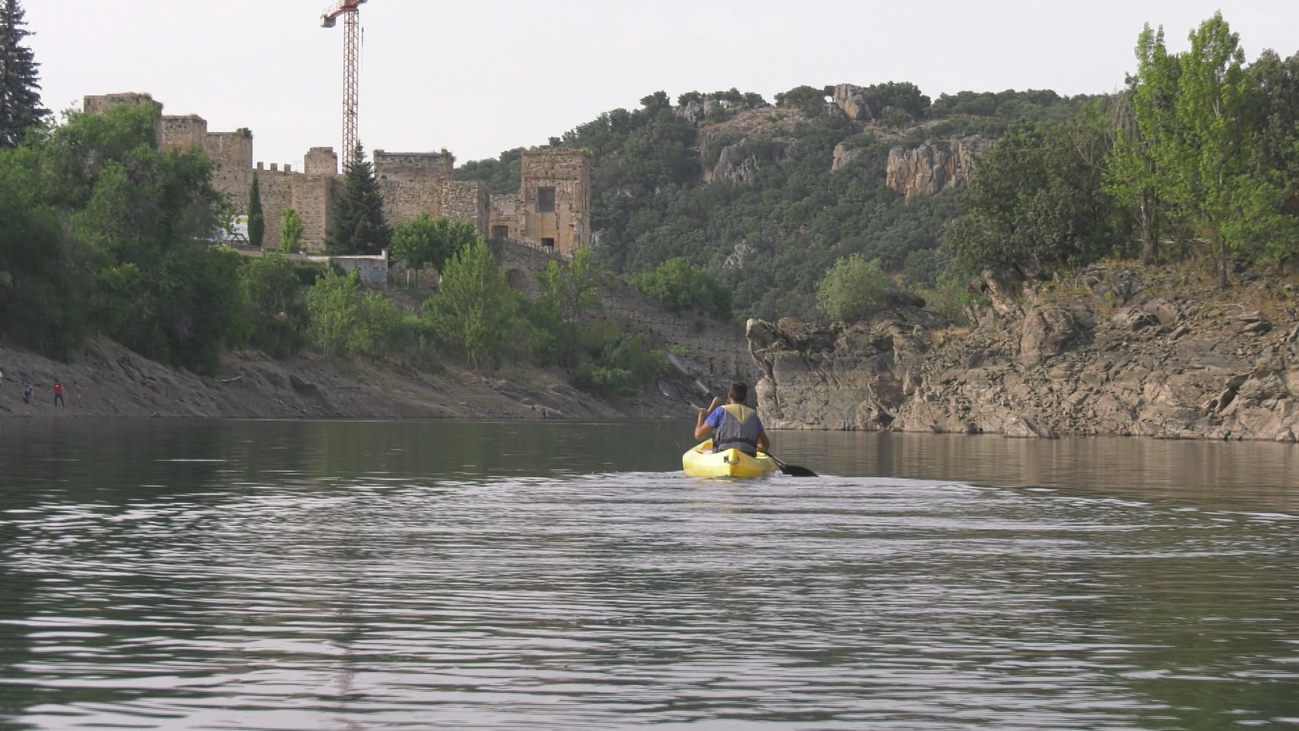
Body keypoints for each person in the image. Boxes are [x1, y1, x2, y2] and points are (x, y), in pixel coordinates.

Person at [694, 382, 770, 457]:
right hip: (748, 456)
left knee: (704, 451)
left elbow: (699, 435)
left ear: (729, 395)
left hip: (722, 455)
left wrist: (701, 419)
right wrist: (753, 447)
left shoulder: (720, 411)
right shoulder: (753, 416)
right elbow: (765, 445)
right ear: (745, 398)